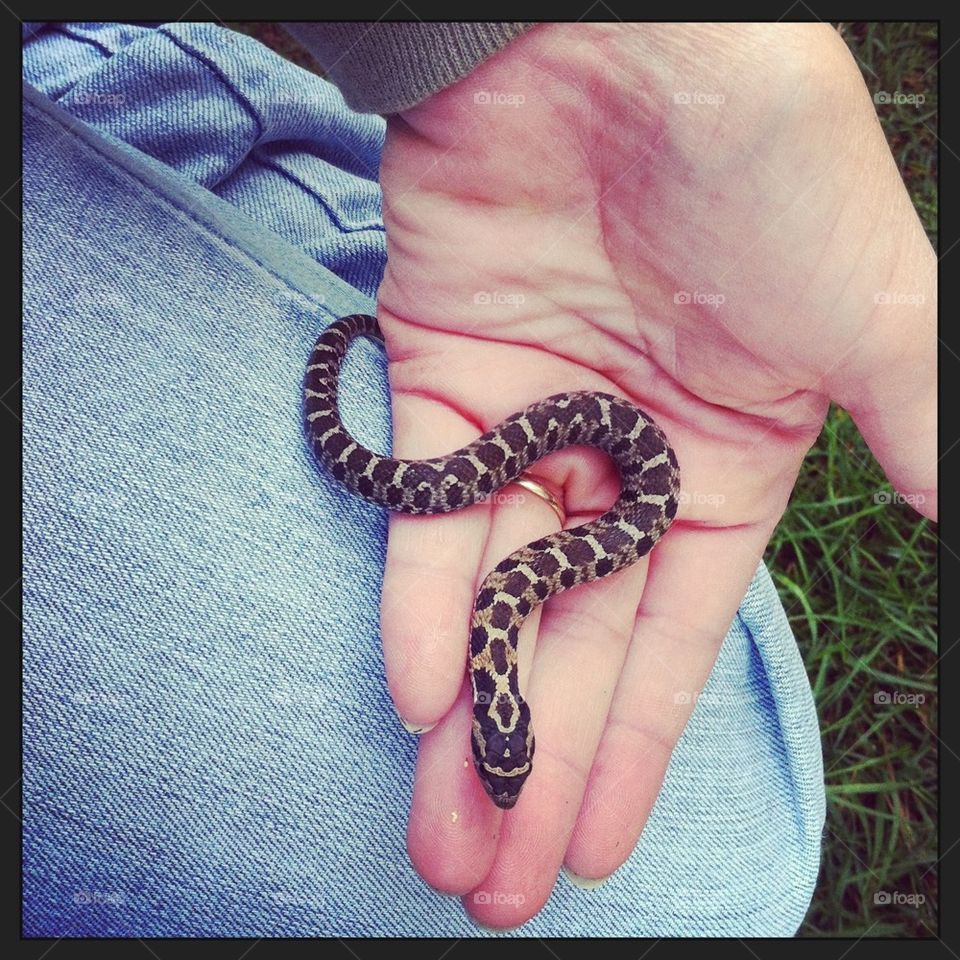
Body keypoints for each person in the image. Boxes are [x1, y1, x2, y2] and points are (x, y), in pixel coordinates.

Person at [22, 22, 935, 935]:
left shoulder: (529, 588)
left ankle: (157, 121)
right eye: (509, 760)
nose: (505, 767)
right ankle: (255, 193)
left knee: (726, 864)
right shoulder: (508, 621)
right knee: (730, 866)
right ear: (518, 722)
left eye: (505, 760)